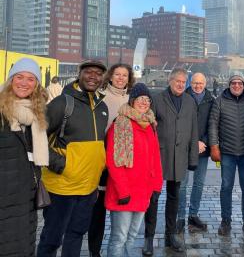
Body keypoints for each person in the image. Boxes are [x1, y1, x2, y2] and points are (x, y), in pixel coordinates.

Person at [37, 59, 109, 256]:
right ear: (80, 74)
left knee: (76, 234)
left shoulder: (102, 107)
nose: (93, 76)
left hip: (88, 187)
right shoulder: (63, 103)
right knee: (52, 238)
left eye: (98, 73)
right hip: (62, 187)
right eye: (88, 72)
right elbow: (37, 138)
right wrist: (62, 165)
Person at [142, 68, 198, 255]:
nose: (181, 85)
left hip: (180, 156)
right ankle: (148, 238)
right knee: (153, 198)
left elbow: (193, 130)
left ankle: (170, 233)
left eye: (184, 82)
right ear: (170, 80)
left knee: (174, 197)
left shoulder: (190, 101)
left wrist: (192, 159)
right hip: (159, 156)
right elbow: (148, 128)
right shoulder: (157, 99)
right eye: (178, 81)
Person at [105, 83, 163, 257]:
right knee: (119, 238)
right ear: (132, 101)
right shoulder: (120, 124)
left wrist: (156, 187)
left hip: (143, 191)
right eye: (140, 99)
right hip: (124, 192)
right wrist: (123, 192)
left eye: (147, 99)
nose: (144, 103)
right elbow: (113, 161)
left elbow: (155, 160)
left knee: (131, 237)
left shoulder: (150, 125)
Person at [0, 58, 49, 257]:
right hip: (5, 199)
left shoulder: (36, 116)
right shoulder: (2, 113)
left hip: (27, 197)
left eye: (30, 79)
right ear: (10, 80)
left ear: (36, 84)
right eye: (19, 77)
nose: (24, 83)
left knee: (24, 246)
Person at [88, 63, 135, 257]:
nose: (121, 78)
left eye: (125, 75)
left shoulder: (132, 99)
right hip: (101, 159)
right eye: (117, 74)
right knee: (97, 211)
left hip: (123, 162)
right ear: (110, 76)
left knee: (120, 210)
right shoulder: (100, 96)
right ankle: (94, 250)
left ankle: (116, 248)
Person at [208, 74, 244, 238]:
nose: (236, 85)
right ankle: (226, 220)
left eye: (239, 83)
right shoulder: (220, 100)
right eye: (233, 83)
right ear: (229, 85)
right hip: (227, 152)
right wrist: (214, 146)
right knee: (226, 187)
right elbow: (213, 124)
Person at [177, 72, 214, 233]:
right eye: (194, 83)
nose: (197, 86)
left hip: (203, 149)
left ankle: (193, 214)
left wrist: (203, 142)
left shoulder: (211, 100)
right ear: (190, 83)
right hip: (185, 148)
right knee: (182, 185)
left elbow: (213, 124)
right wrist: (193, 142)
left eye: (200, 83)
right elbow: (180, 124)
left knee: (198, 183)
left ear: (205, 84)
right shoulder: (182, 98)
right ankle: (180, 218)